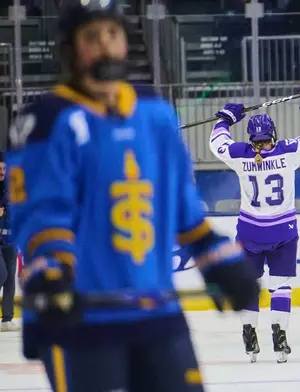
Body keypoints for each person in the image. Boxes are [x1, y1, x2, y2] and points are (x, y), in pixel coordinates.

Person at [5, 1, 259, 391]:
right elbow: (42, 218)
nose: (106, 47)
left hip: (157, 314)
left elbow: (182, 210)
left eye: (114, 34)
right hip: (81, 321)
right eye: (92, 37)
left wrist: (221, 262)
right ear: (71, 49)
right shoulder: (44, 121)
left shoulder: (155, 112)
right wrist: (51, 273)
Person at [208, 84, 300, 363]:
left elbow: (217, 143)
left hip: (250, 231)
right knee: (281, 285)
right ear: (273, 135)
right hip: (283, 230)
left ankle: (249, 333)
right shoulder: (287, 152)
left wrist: (225, 119)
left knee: (251, 284)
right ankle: (280, 335)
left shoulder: (240, 154)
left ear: (251, 137)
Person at [0, 154, 19, 332]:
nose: (2, 171)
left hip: (11, 239)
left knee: (10, 280)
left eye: (4, 168)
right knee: (2, 273)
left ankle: (7, 319)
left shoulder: (13, 188)